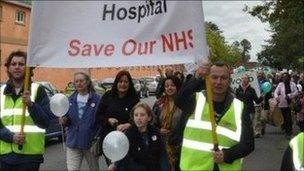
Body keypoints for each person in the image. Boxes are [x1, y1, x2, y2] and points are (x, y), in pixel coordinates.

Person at [176, 61, 254, 171]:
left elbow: (249, 144)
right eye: (214, 77)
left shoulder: (239, 107)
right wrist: (197, 76)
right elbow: (179, 100)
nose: (218, 82)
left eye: (223, 78)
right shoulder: (196, 100)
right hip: (195, 167)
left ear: (229, 81)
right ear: (208, 78)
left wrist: (227, 155)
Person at [0, 51, 52, 171]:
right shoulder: (1, 92)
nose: (17, 67)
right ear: (8, 68)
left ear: (28, 68)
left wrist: (31, 105)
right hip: (5, 155)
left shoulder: (38, 90)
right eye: (13, 64)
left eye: (21, 64)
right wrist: (11, 137)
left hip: (29, 157)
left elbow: (45, 122)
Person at [59, 72, 101, 171]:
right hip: (73, 142)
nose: (79, 83)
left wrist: (97, 137)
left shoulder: (97, 99)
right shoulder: (70, 100)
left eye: (81, 81)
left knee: (94, 168)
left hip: (90, 143)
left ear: (87, 82)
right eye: (76, 81)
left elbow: (100, 120)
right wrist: (64, 120)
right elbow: (67, 119)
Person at [95, 70, 139, 164]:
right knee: (113, 167)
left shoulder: (134, 98)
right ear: (116, 83)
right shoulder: (108, 96)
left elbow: (141, 119)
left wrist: (129, 124)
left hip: (128, 140)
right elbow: (98, 116)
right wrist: (108, 120)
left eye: (126, 82)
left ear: (129, 84)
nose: (123, 84)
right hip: (110, 142)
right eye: (120, 81)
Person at [109, 102, 168, 171]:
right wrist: (114, 164)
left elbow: (162, 155)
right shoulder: (128, 135)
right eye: (136, 115)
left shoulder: (155, 132)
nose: (138, 118)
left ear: (149, 117)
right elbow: (124, 158)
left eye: (142, 115)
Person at [152, 76, 183, 170]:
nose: (169, 88)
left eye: (172, 85)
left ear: (177, 86)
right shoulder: (159, 104)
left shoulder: (184, 103)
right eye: (167, 86)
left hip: (180, 144)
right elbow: (151, 123)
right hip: (163, 145)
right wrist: (158, 130)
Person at [274, 72, 298, 139]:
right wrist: (276, 97)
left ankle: (288, 132)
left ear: (289, 78)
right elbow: (276, 92)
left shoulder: (293, 84)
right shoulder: (280, 84)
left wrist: (290, 95)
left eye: (286, 77)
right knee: (284, 117)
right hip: (282, 103)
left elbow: (296, 92)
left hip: (290, 103)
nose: (285, 78)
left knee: (288, 118)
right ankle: (285, 127)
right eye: (283, 77)